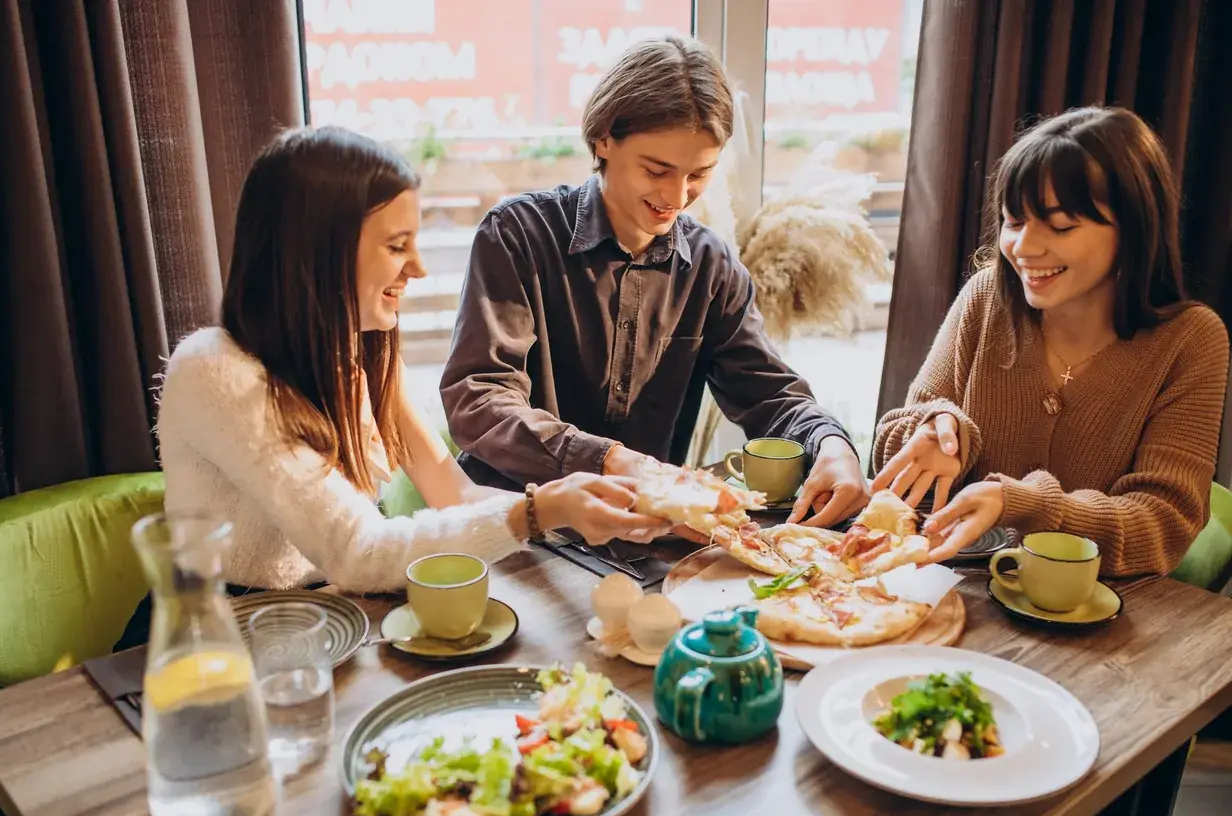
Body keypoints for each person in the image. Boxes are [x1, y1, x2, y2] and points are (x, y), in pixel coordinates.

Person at [152, 126, 671, 595]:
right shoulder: (215, 372)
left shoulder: (361, 357)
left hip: (332, 611)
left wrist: (575, 505)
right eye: (398, 246)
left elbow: (453, 493)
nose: (418, 268)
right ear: (315, 252)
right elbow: (359, 552)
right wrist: (539, 511)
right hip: (220, 629)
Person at [440, 35, 868, 531]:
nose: (677, 195)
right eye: (657, 170)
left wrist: (831, 444)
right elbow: (479, 399)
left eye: (699, 174)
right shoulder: (517, 235)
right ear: (603, 138)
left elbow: (771, 396)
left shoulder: (711, 266)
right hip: (515, 527)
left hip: (638, 536)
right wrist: (610, 460)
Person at [872, 106, 1229, 574]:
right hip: (958, 591)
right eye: (1013, 221)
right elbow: (893, 450)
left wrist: (1028, 504)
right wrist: (937, 430)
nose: (1024, 247)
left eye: (1060, 226)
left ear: (1134, 228)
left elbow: (1163, 523)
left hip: (1096, 618)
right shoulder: (986, 298)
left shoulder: (1191, 341)